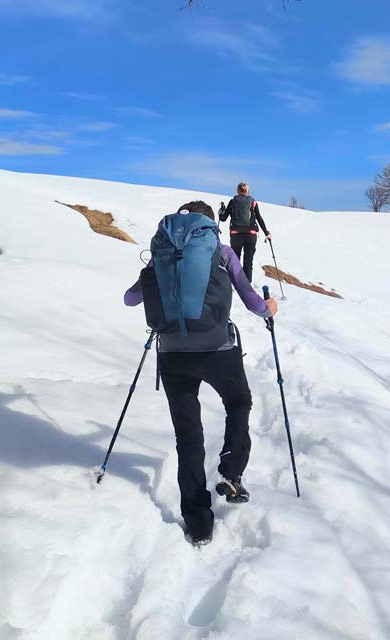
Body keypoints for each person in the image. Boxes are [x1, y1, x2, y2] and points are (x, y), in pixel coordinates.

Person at [124, 200, 279, 546]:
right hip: (217, 349)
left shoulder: (161, 254)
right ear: (209, 225)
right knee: (238, 402)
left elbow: (130, 299)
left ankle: (199, 526)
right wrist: (269, 308)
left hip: (173, 355)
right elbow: (253, 301)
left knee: (188, 437)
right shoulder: (222, 252)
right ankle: (231, 470)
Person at [220, 182, 271, 282]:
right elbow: (259, 218)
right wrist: (266, 232)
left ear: (237, 191)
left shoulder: (233, 202)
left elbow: (223, 218)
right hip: (250, 235)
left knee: (235, 261)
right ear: (248, 191)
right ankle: (247, 284)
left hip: (236, 235)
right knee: (248, 262)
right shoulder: (253, 202)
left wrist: (220, 213)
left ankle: (235, 283)